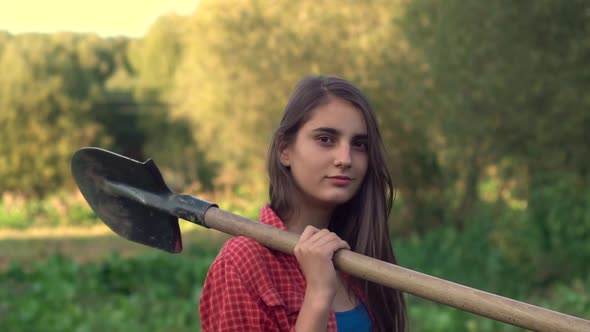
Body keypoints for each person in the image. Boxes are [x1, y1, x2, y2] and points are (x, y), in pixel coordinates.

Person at [199, 75, 407, 331]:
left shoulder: (360, 253)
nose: (345, 159)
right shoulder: (243, 264)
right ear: (284, 150)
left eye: (359, 144)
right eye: (326, 139)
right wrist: (319, 294)